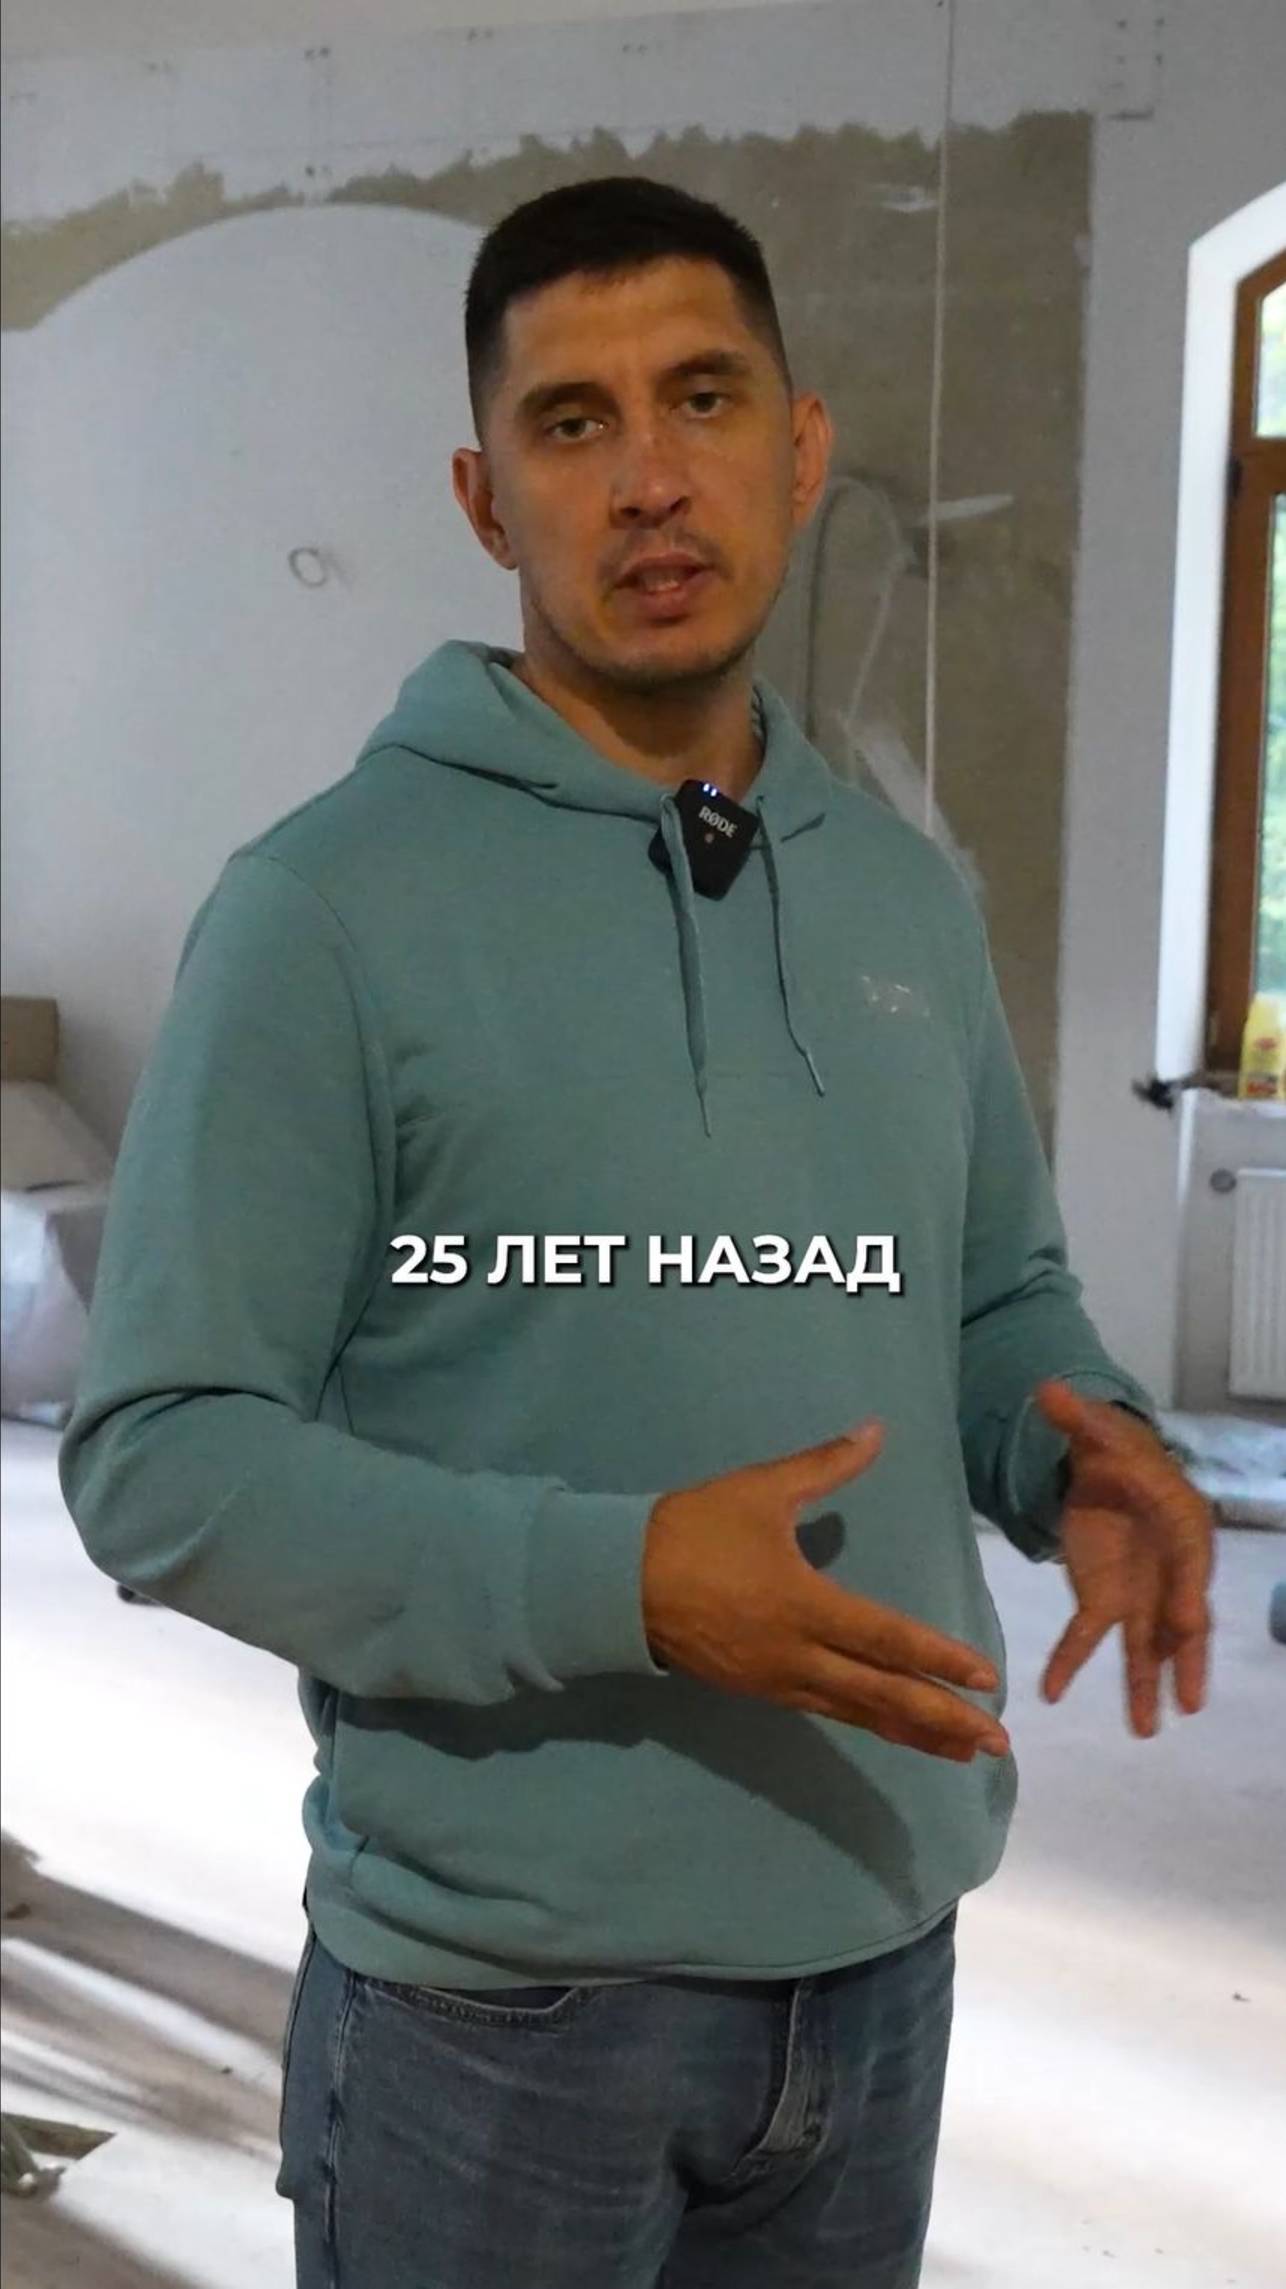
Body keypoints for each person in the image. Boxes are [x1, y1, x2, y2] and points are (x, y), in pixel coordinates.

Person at [58, 175, 1214, 2289]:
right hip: (500, 2011)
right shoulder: (326, 909)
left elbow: (985, 1292)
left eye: (702, 397)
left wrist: (1082, 1445)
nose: (651, 477)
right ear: (484, 497)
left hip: (881, 1947)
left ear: (799, 444)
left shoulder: (899, 893)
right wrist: (624, 1582)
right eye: (571, 422)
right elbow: (162, 1455)